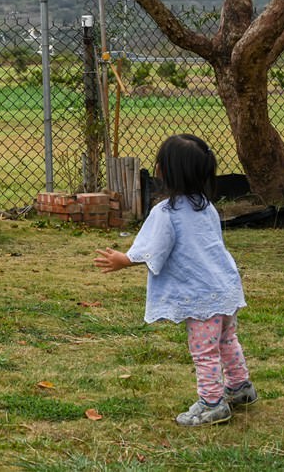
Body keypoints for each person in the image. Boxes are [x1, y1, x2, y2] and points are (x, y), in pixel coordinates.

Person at [93, 134, 258, 426]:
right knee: (226, 339)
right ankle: (240, 386)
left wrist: (125, 260)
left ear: (165, 171)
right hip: (226, 289)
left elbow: (154, 248)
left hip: (201, 297)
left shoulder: (166, 212)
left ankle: (212, 403)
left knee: (204, 351)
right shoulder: (205, 205)